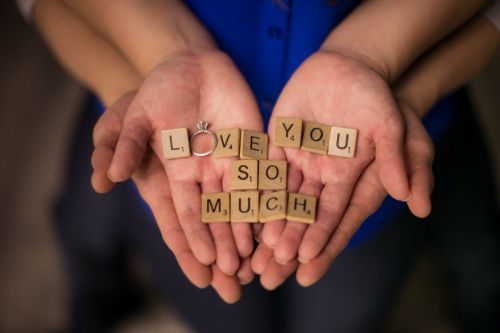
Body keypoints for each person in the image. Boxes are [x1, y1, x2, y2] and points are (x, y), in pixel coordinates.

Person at [24, 0, 499, 331]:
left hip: (371, 158)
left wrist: (401, 89)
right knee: (217, 312)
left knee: (343, 318)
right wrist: (141, 72)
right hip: (164, 136)